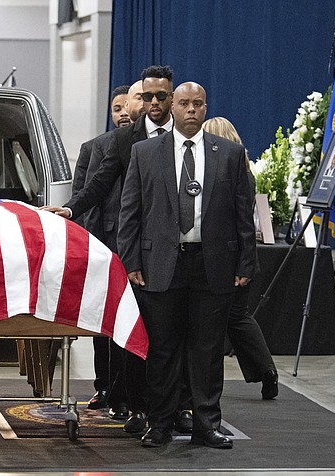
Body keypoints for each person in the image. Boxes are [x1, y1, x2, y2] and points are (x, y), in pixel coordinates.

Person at [118, 82, 256, 449]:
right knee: (162, 350)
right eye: (184, 103)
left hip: (213, 264)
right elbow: (129, 213)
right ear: (172, 108)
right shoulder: (145, 152)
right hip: (161, 263)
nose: (191, 109)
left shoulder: (229, 153)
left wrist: (246, 261)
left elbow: (244, 214)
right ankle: (159, 423)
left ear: (206, 108)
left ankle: (206, 423)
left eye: (198, 104)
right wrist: (130, 259)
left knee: (208, 350)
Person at [44, 66, 174, 435]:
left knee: (171, 336)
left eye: (159, 97)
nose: (151, 103)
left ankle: (175, 405)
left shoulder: (183, 135)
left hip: (175, 249)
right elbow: (99, 184)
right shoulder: (123, 141)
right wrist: (70, 209)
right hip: (132, 251)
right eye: (146, 96)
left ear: (170, 98)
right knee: (132, 335)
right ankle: (137, 406)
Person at [202, 116, 278, 399]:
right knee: (237, 318)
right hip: (239, 258)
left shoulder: (229, 175)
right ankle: (265, 370)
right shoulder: (245, 172)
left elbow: (241, 222)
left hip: (227, 259)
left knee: (229, 319)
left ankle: (263, 370)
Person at [71, 84, 131, 414]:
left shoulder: (151, 145)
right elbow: (85, 197)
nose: (122, 113)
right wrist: (88, 247)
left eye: (127, 106)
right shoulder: (94, 147)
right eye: (116, 108)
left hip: (134, 245)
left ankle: (129, 391)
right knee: (102, 323)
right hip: (103, 244)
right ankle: (103, 386)